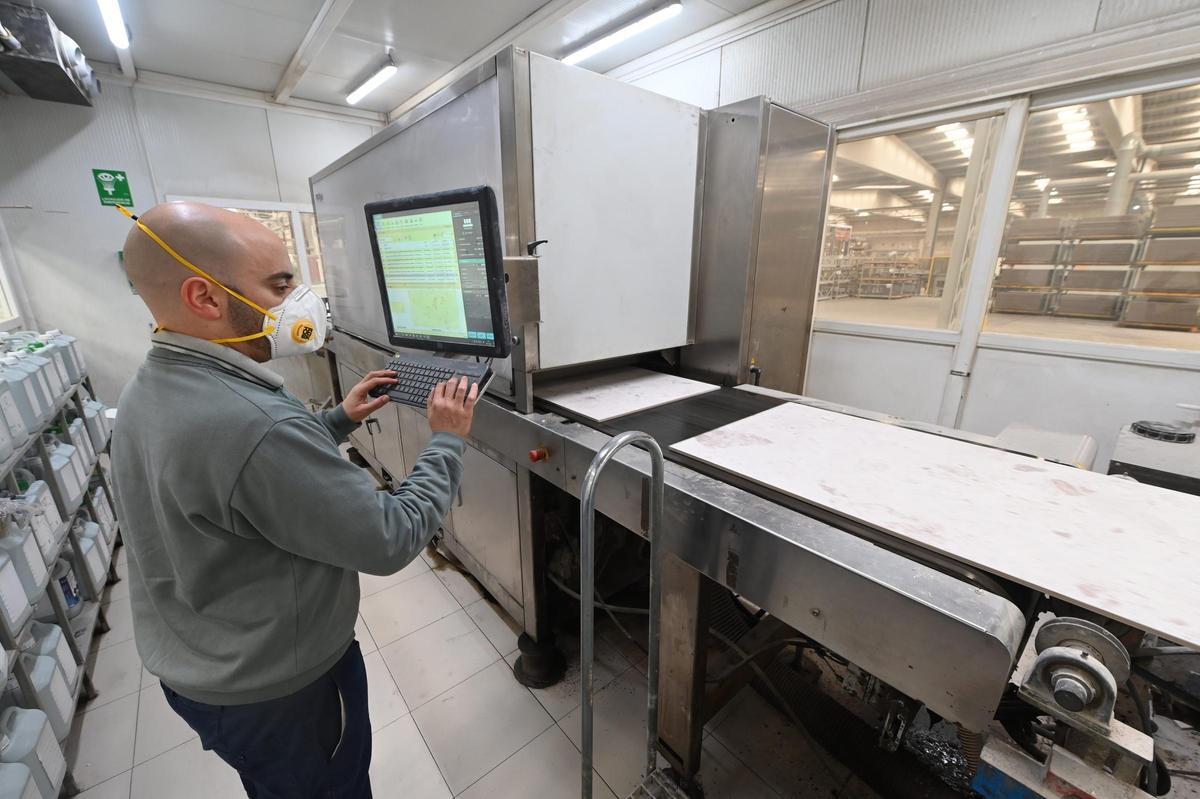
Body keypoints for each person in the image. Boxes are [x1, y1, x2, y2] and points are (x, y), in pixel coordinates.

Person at [109, 200, 479, 798]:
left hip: (208, 670)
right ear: (205, 297)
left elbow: (231, 482)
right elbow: (391, 536)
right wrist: (447, 439)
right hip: (282, 694)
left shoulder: (152, 386)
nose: (300, 303)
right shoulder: (252, 424)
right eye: (280, 285)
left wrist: (333, 421)